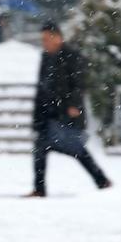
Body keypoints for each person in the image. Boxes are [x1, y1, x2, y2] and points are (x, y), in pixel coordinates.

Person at [26, 21, 112, 197]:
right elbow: (41, 87)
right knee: (42, 149)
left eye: (48, 38)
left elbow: (78, 84)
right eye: (43, 39)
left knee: (76, 150)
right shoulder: (45, 57)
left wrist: (74, 105)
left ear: (58, 37)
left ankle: (102, 180)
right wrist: (37, 115)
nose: (45, 42)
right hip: (47, 114)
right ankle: (39, 189)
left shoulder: (72, 56)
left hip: (65, 112)